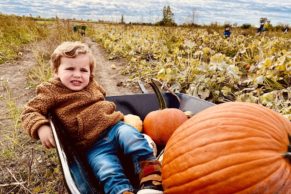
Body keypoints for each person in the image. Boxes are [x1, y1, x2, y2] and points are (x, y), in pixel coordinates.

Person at [21, 41, 163, 194]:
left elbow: (103, 98)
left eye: (83, 70)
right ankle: (122, 191)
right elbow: (29, 112)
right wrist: (41, 126)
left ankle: (152, 180)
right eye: (70, 68)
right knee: (107, 170)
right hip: (92, 145)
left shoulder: (92, 84)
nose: (77, 74)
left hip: (115, 128)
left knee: (134, 139)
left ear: (90, 73)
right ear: (56, 71)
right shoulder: (51, 90)